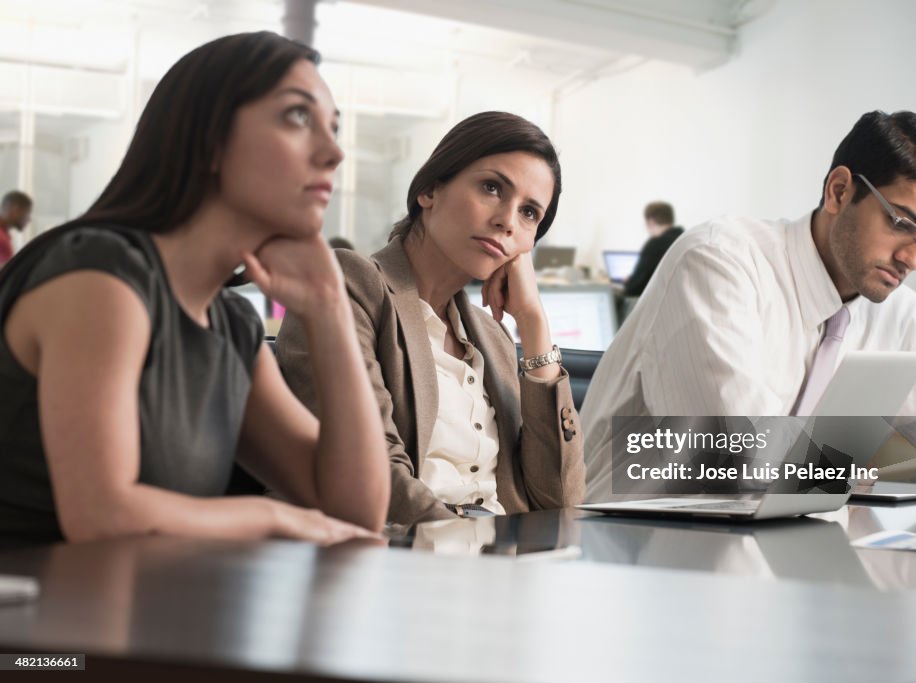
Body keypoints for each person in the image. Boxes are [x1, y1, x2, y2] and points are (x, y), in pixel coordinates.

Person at [0, 32, 389, 544]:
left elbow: (357, 512)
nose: (334, 152)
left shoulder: (230, 323)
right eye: (298, 116)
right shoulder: (101, 275)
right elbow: (101, 515)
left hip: (138, 614)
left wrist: (330, 310)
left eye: (334, 128)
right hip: (35, 618)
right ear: (209, 140)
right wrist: (274, 517)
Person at [582, 110, 916, 501]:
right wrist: (842, 474)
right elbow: (739, 461)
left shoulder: (903, 319)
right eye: (902, 223)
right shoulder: (720, 261)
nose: (912, 258)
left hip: (776, 559)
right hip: (629, 545)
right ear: (839, 190)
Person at [278, 111, 586, 524]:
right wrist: (463, 542)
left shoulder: (491, 338)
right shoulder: (351, 285)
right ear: (429, 190)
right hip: (399, 558)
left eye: (530, 213)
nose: (507, 221)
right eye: (492, 188)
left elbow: (561, 501)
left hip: (500, 563)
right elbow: (369, 468)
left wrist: (532, 323)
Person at [622, 201, 683, 296]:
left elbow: (635, 288)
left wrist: (628, 283)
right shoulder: (683, 238)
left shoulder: (655, 245)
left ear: (651, 222)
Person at [0, 191, 32, 269]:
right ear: (16, 210)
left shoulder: (4, 234)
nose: (29, 219)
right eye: (27, 213)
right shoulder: (1, 238)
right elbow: (6, 274)